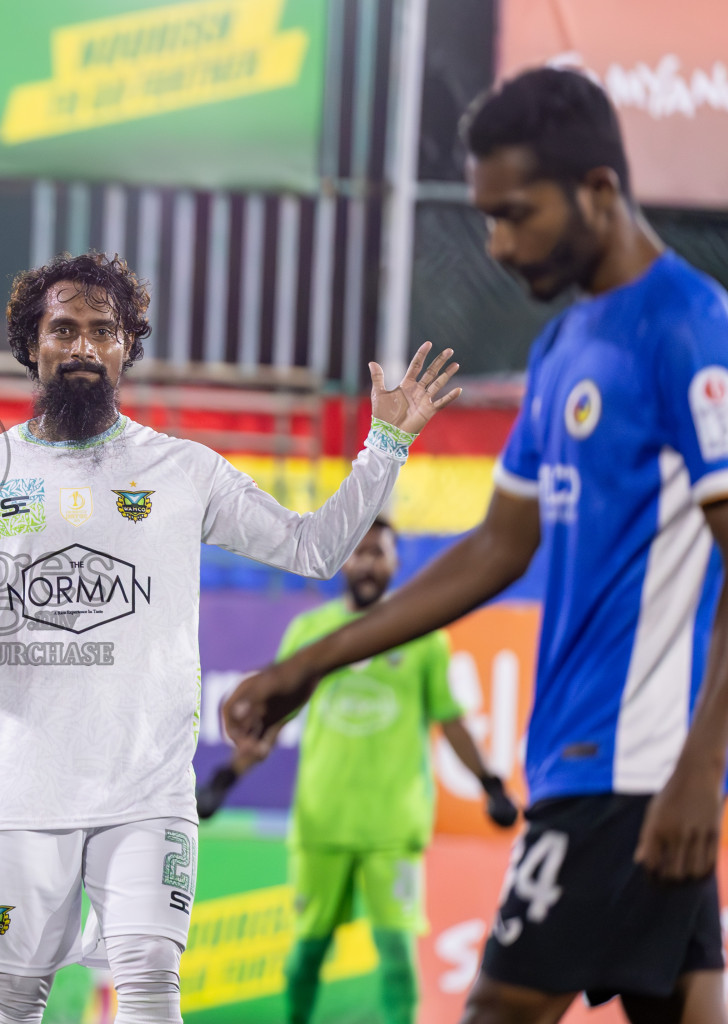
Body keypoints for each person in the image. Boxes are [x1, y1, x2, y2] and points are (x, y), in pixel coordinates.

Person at [0, 251, 461, 1024]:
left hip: (146, 792)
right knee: (13, 998)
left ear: (126, 346)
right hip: (14, 793)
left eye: (102, 331)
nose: (82, 346)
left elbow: (313, 549)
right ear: (30, 345)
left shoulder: (185, 472)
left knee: (149, 980)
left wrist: (386, 444)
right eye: (64, 329)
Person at [225, 67, 728, 1024]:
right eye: (486, 216)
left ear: (599, 192)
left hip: (631, 773)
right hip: (600, 768)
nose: (496, 244)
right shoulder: (562, 349)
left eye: (515, 214)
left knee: (498, 1011)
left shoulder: (688, 327)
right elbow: (498, 545)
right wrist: (316, 665)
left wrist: (703, 766)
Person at [200, 518, 519, 1024]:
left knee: (396, 954)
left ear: (397, 562)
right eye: (359, 552)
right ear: (343, 559)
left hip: (391, 827)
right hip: (322, 822)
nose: (368, 563)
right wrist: (226, 778)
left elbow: (450, 720)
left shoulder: (423, 639)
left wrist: (490, 784)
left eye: (379, 553)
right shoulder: (310, 632)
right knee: (306, 956)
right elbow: (273, 718)